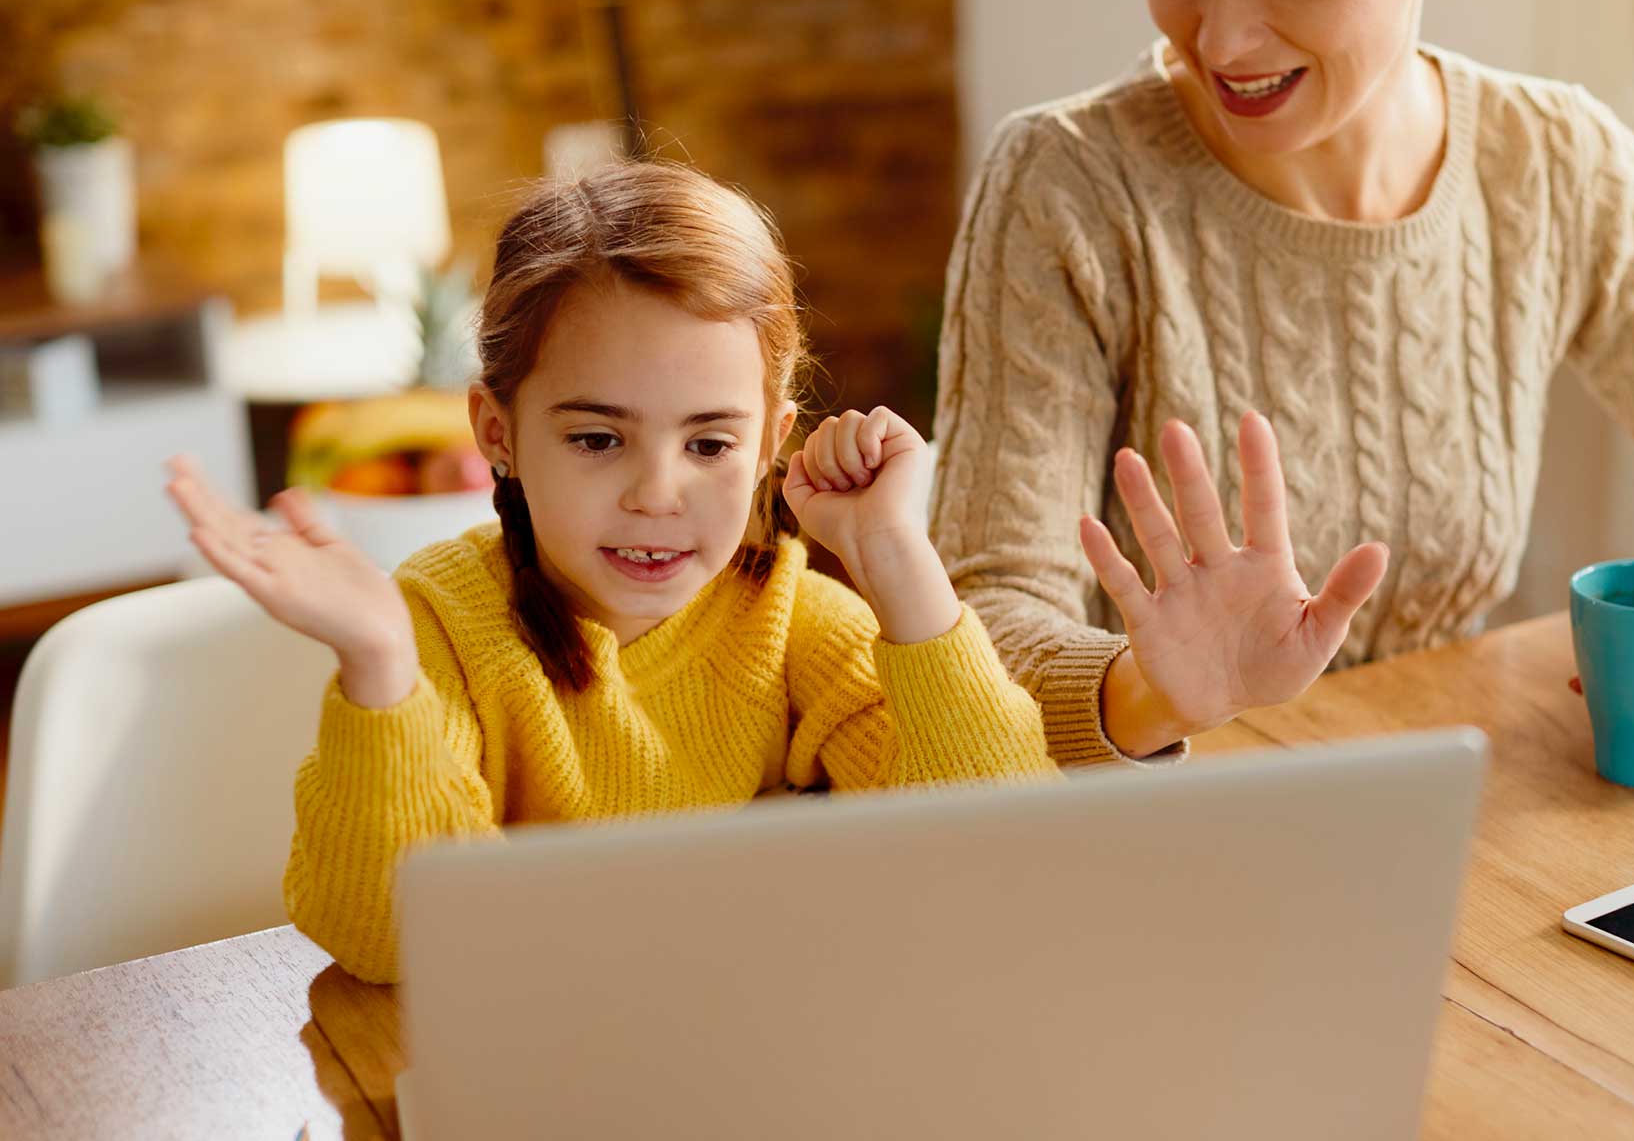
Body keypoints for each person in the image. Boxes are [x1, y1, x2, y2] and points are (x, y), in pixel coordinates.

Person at [931, 0, 1634, 780]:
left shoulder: (1553, 162)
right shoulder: (1063, 185)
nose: (1220, 39)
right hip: (1152, 817)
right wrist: (1159, 695)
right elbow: (981, 621)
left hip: (1443, 803)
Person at [166, 158, 1056, 985]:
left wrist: (896, 558)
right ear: (497, 433)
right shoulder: (439, 627)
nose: (657, 495)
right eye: (597, 439)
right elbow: (384, 940)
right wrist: (378, 668)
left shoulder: (794, 623)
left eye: (710, 442)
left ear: (770, 447)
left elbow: (1005, 858)